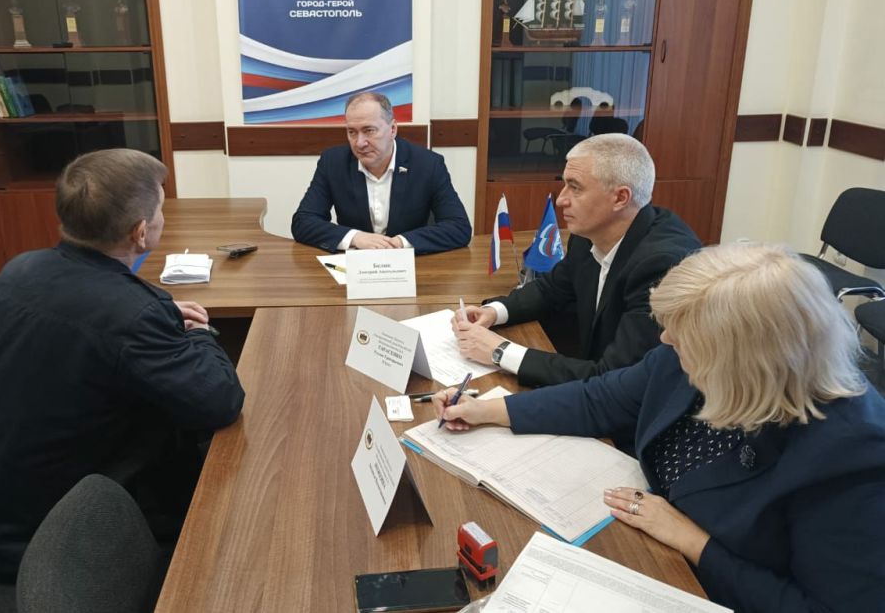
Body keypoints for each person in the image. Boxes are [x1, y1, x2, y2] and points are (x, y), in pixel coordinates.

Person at [434, 243, 885, 613]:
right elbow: (599, 399)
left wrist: (693, 540)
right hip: (636, 547)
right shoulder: (684, 357)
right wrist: (487, 410)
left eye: (682, 337)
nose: (666, 341)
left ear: (746, 363)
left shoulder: (852, 458)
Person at [0, 149, 245, 587]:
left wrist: (155, 312)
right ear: (140, 232)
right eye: (161, 209)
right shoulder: (131, 316)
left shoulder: (20, 270)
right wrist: (199, 333)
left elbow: (82, 318)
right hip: (44, 554)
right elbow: (220, 400)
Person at [453, 133, 700, 387]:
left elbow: (613, 379)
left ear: (620, 198)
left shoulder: (663, 266)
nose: (561, 199)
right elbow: (551, 289)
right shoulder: (588, 235)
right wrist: (493, 312)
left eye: (575, 187)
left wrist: (500, 352)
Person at [291, 92, 471, 254]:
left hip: (412, 267)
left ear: (392, 129)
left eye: (369, 131)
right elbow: (303, 222)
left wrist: (400, 243)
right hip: (354, 267)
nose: (359, 143)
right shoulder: (333, 162)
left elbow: (459, 226)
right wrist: (355, 237)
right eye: (352, 132)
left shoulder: (428, 164)